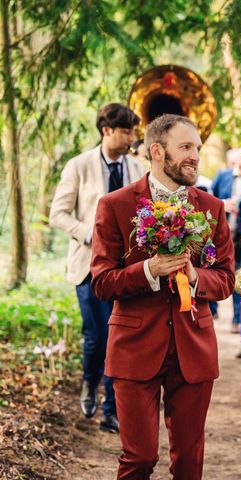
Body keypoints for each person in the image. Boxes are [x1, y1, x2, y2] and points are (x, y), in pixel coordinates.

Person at [90, 114, 235, 479]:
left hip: (194, 346)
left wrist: (195, 276)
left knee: (189, 459)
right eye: (185, 147)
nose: (195, 156)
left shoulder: (212, 208)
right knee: (138, 457)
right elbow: (102, 282)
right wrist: (149, 271)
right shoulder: (116, 205)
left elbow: (226, 279)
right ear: (157, 151)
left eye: (197, 148)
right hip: (134, 346)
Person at [49, 103, 146, 433]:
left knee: (120, 338)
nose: (133, 137)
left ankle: (111, 410)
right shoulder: (77, 166)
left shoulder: (137, 166)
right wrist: (90, 234)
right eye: (127, 131)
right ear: (107, 130)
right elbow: (58, 214)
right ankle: (90, 382)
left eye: (134, 131)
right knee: (96, 338)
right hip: (88, 266)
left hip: (127, 267)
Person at [210, 145, 241, 337]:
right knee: (214, 275)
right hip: (218, 237)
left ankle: (238, 321)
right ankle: (212, 311)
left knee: (240, 279)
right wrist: (222, 205)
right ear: (237, 160)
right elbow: (208, 198)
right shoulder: (222, 176)